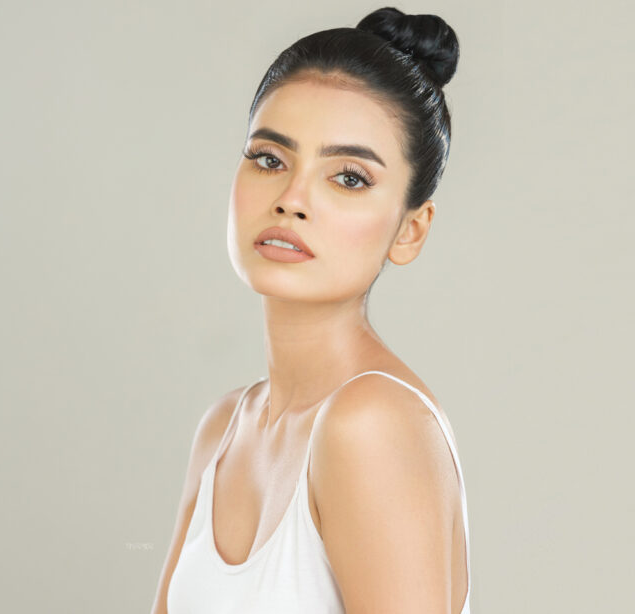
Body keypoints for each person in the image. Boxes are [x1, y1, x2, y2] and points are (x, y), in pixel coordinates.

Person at [152, 6, 470, 613]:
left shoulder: (372, 424)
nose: (291, 199)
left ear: (410, 229)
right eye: (270, 159)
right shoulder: (223, 429)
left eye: (348, 177)